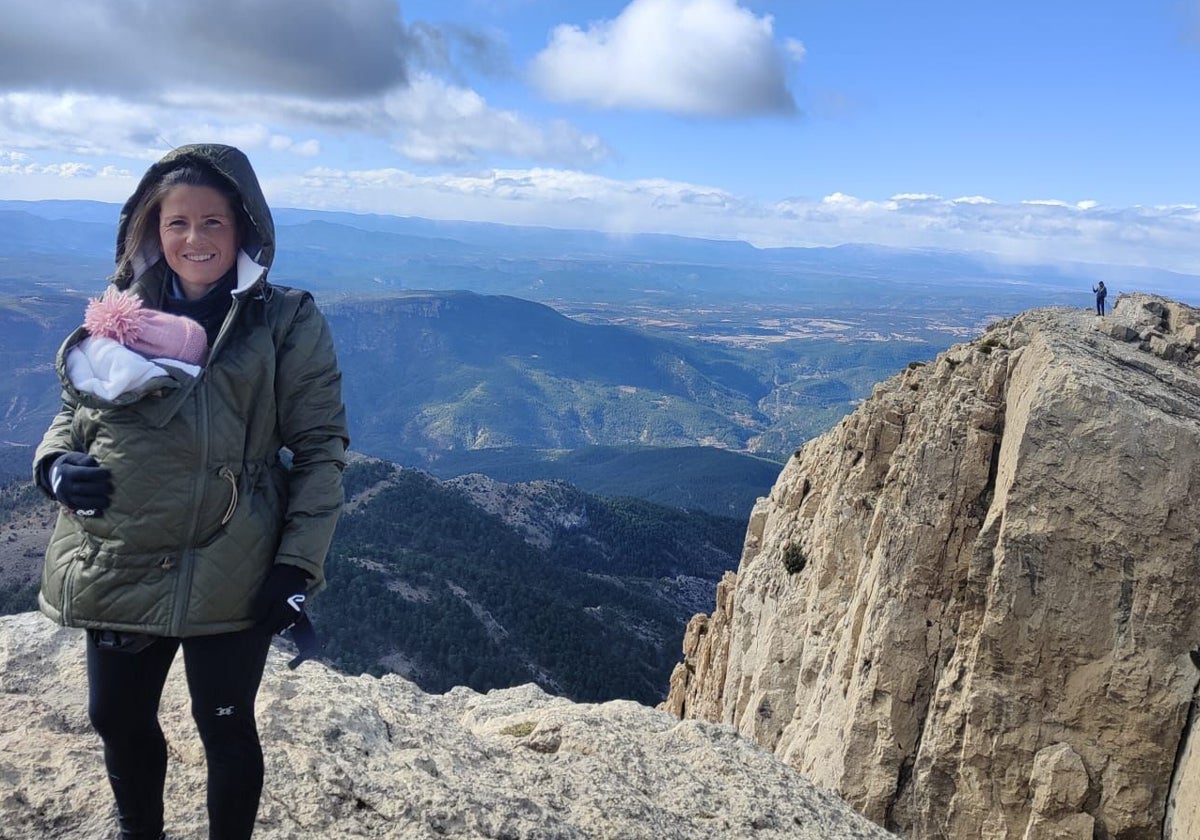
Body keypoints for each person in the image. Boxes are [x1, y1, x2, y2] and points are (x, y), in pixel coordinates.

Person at [32, 143, 348, 840]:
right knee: (115, 715)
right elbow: (74, 413)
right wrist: (55, 465)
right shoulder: (120, 317)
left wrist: (297, 564)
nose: (195, 239)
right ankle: (137, 829)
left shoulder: (285, 321)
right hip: (125, 547)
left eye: (213, 222)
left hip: (234, 556)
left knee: (225, 725)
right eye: (177, 223)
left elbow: (321, 446)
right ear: (152, 228)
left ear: (244, 229)